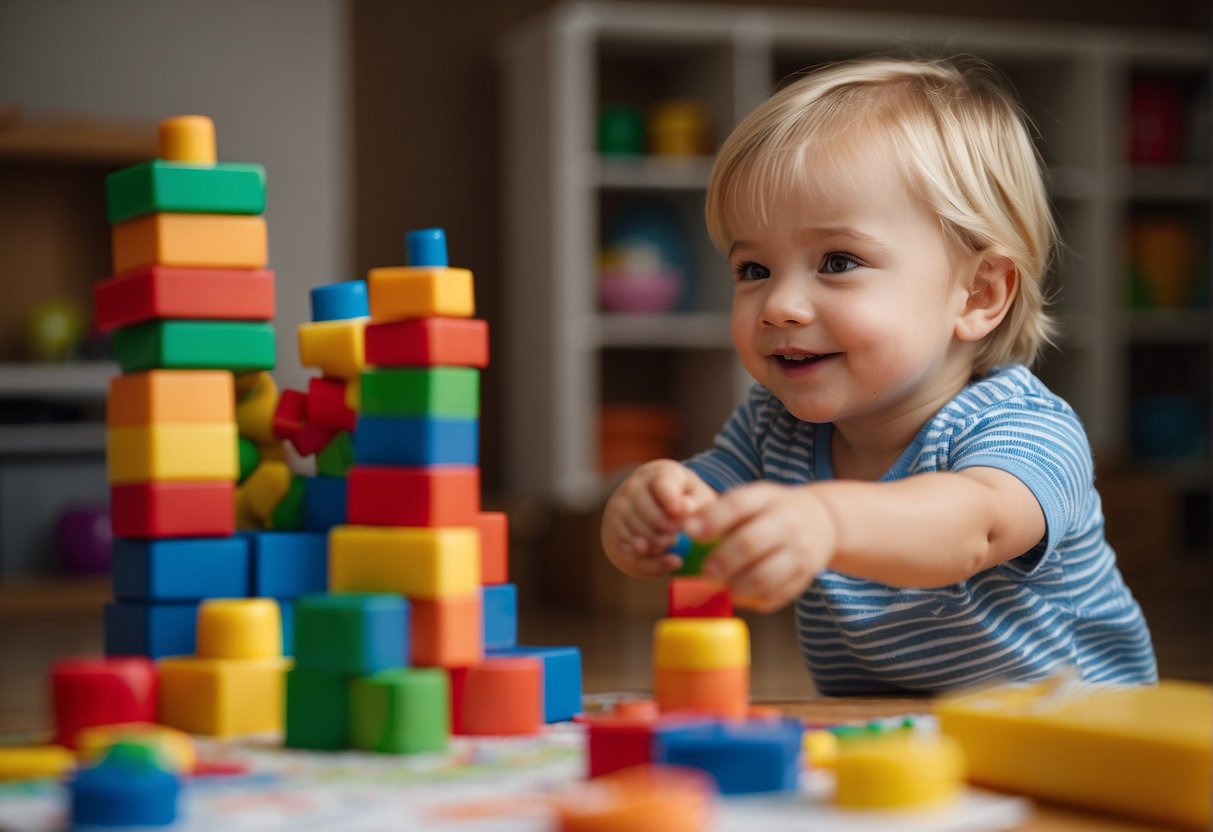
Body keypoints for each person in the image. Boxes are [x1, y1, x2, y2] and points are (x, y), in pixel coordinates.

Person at [600, 56, 1158, 695]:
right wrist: (654, 507)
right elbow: (699, 520)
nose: (780, 304)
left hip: (1079, 735)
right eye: (753, 269)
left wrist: (828, 521)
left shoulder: (1025, 427)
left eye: (837, 261)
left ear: (977, 294)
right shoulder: (771, 426)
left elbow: (972, 528)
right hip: (899, 738)